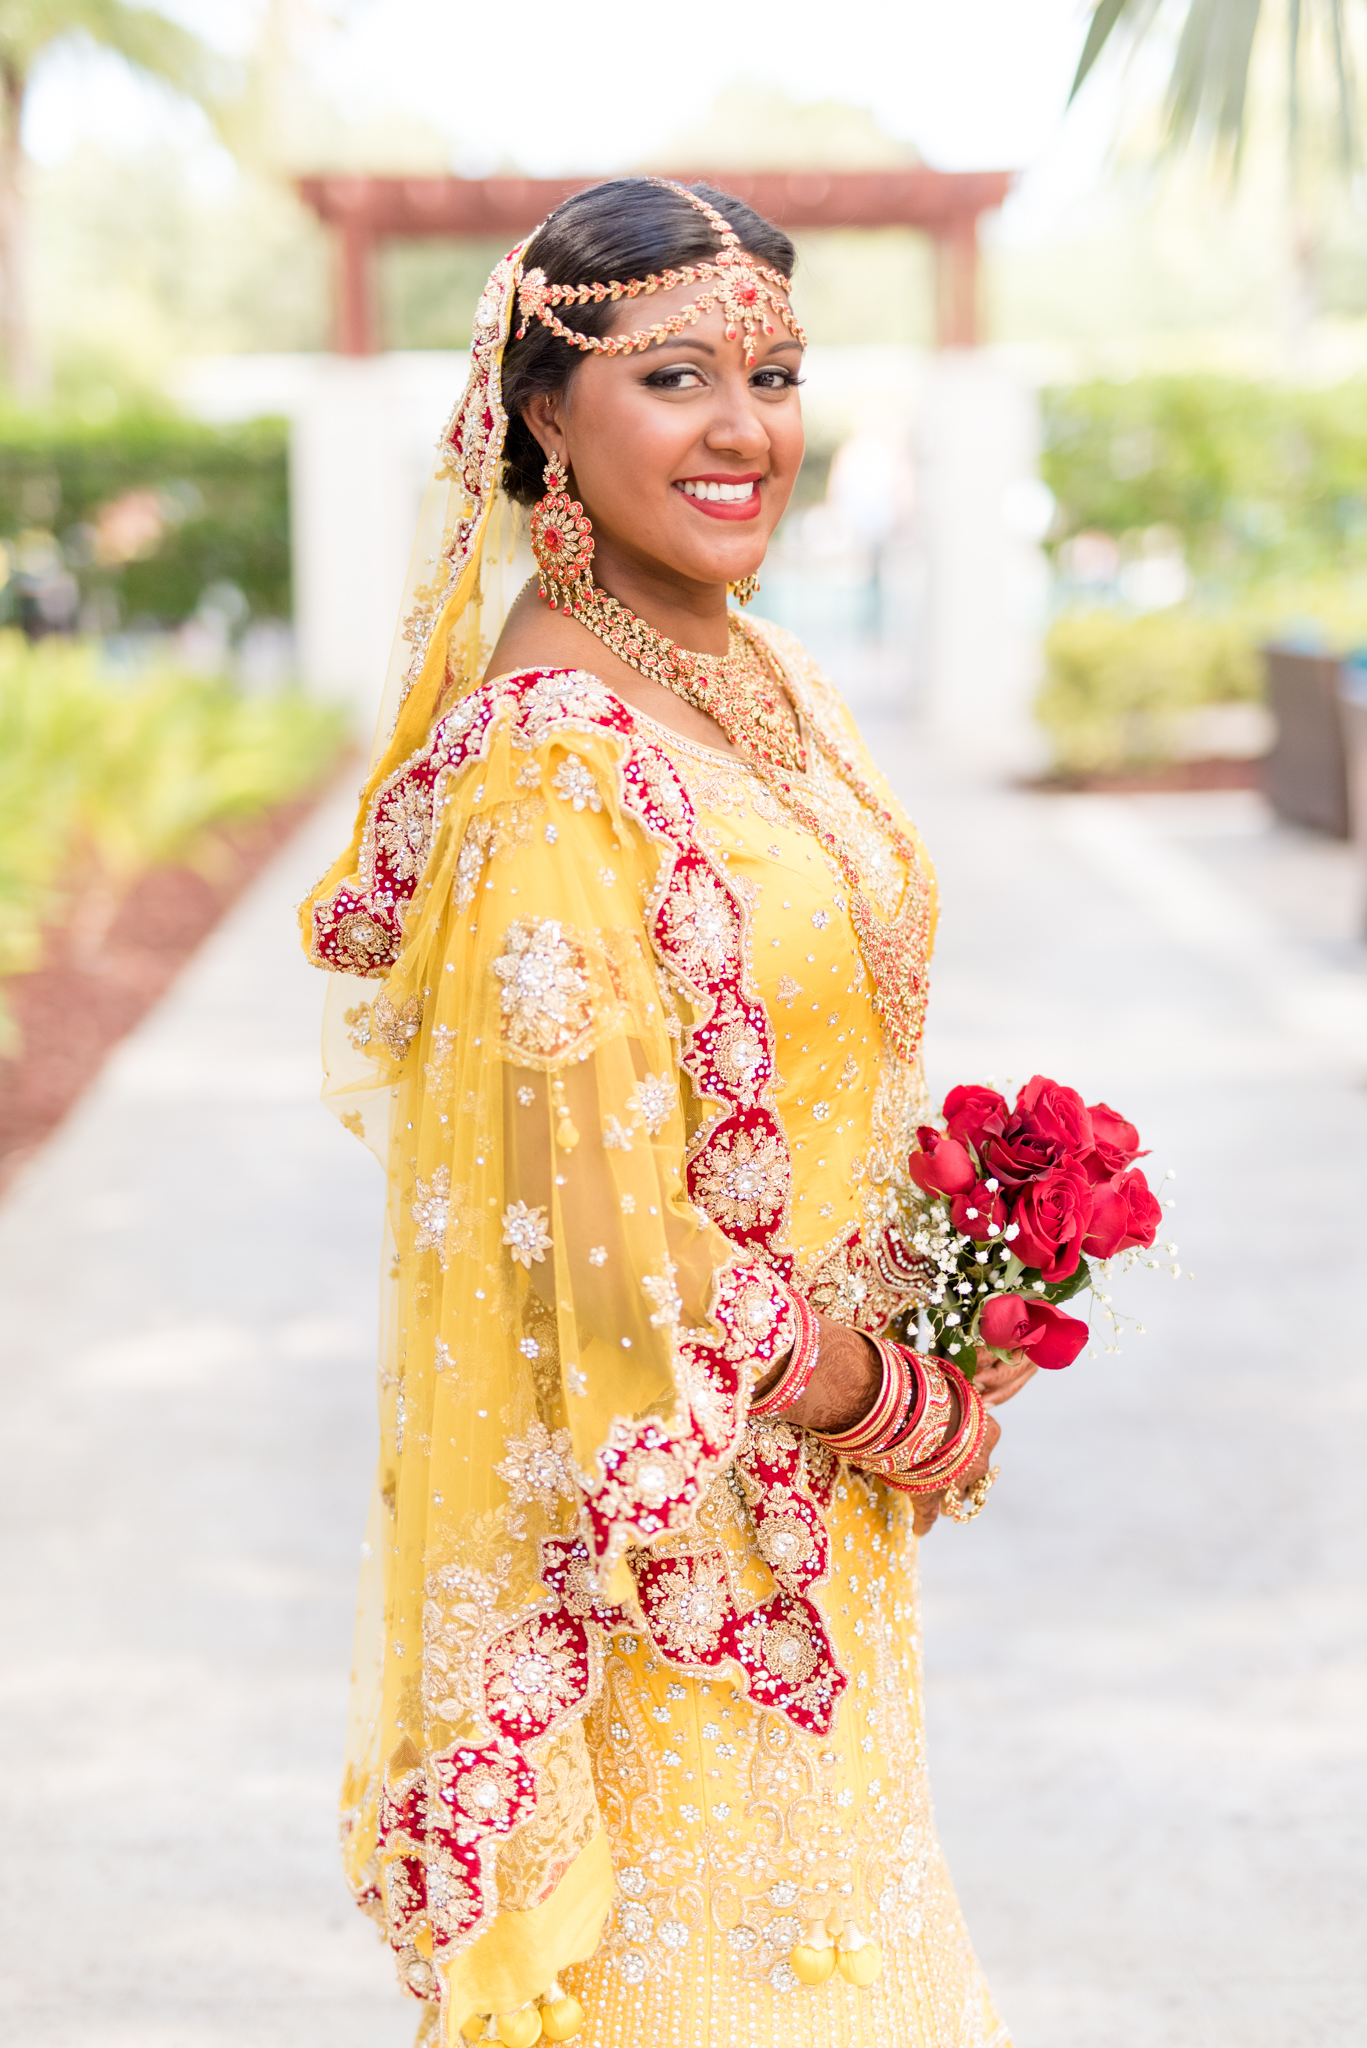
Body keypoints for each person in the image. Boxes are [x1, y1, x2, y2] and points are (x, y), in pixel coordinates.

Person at [302, 176, 1034, 2048]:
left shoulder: (745, 661)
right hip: (670, 1578)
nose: (746, 430)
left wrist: (972, 1256)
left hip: (823, 1542)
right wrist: (885, 1390)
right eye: (677, 375)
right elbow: (600, 1236)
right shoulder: (552, 763)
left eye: (775, 372)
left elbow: (801, 1055)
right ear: (541, 413)